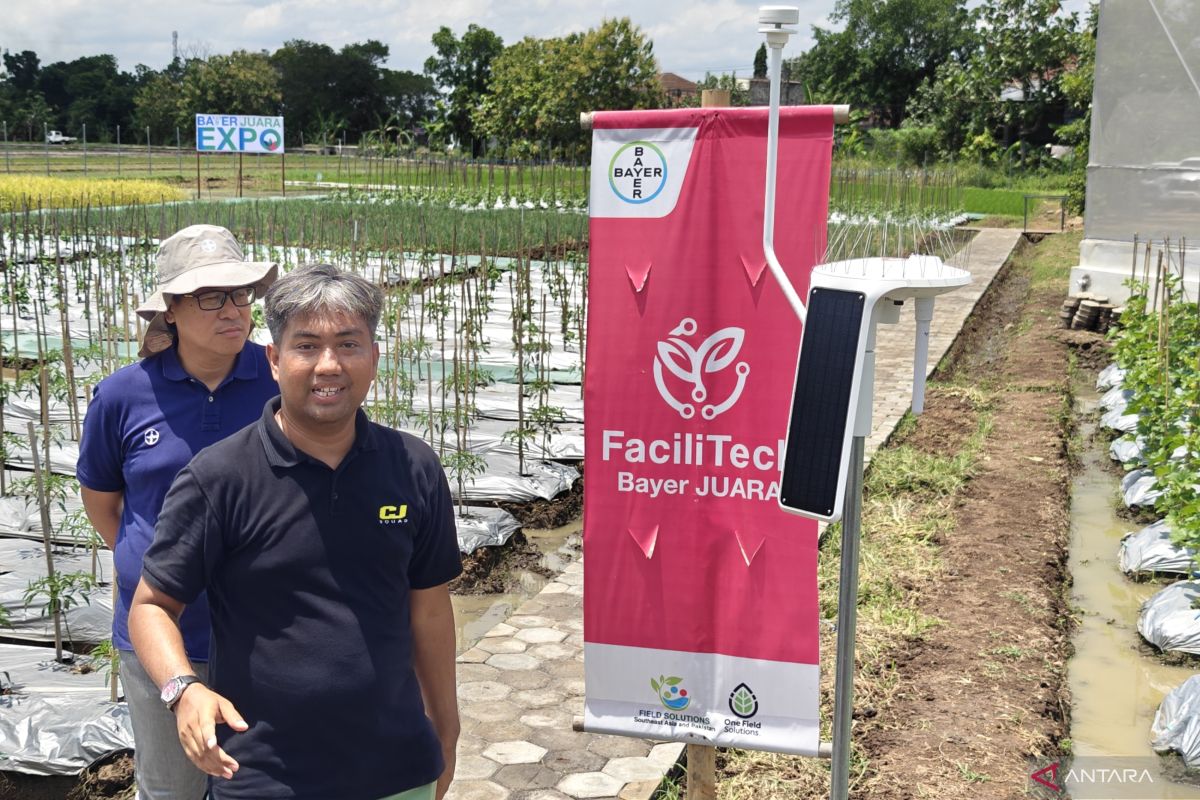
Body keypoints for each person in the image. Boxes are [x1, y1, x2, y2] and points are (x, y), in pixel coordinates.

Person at [129, 263, 462, 800]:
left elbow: (429, 607)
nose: (328, 365)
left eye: (348, 344)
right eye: (306, 346)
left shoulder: (412, 466)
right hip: (263, 776)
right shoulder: (220, 478)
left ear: (375, 357)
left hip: (396, 771)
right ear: (275, 359)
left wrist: (446, 726)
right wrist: (183, 688)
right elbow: (151, 606)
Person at [77, 224, 280, 800]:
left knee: (266, 783)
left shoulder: (277, 380)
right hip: (163, 641)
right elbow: (104, 500)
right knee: (173, 788)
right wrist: (158, 567)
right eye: (210, 297)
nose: (233, 311)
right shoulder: (122, 395)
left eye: (240, 294)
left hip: (267, 634)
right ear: (170, 310)